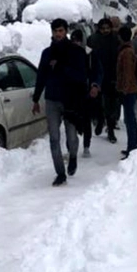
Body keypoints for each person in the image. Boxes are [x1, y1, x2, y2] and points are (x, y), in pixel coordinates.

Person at [32, 18, 90, 186]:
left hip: (71, 100)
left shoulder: (76, 52)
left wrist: (61, 67)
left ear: (66, 32)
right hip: (51, 99)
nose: (58, 34)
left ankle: (73, 157)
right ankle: (60, 173)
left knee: (72, 137)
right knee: (54, 138)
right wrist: (36, 98)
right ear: (52, 32)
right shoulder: (46, 53)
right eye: (55, 31)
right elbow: (41, 76)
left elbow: (82, 76)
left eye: (61, 31)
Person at [87, 17, 121, 143]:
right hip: (96, 76)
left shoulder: (116, 39)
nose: (105, 31)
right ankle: (100, 120)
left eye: (108, 28)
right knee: (97, 102)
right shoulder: (93, 40)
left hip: (112, 76)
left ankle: (110, 130)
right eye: (103, 28)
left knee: (111, 105)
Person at [70, 28, 103, 157]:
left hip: (88, 91)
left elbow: (98, 71)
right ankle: (71, 146)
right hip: (72, 92)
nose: (76, 43)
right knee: (72, 119)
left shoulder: (90, 54)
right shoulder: (69, 54)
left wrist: (95, 85)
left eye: (78, 40)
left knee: (86, 119)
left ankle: (86, 146)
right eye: (73, 40)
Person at [116, 25, 137, 158]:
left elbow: (128, 72)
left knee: (129, 119)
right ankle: (132, 144)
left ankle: (133, 146)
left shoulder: (126, 52)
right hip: (130, 89)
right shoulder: (129, 49)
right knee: (129, 118)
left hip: (129, 90)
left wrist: (124, 88)